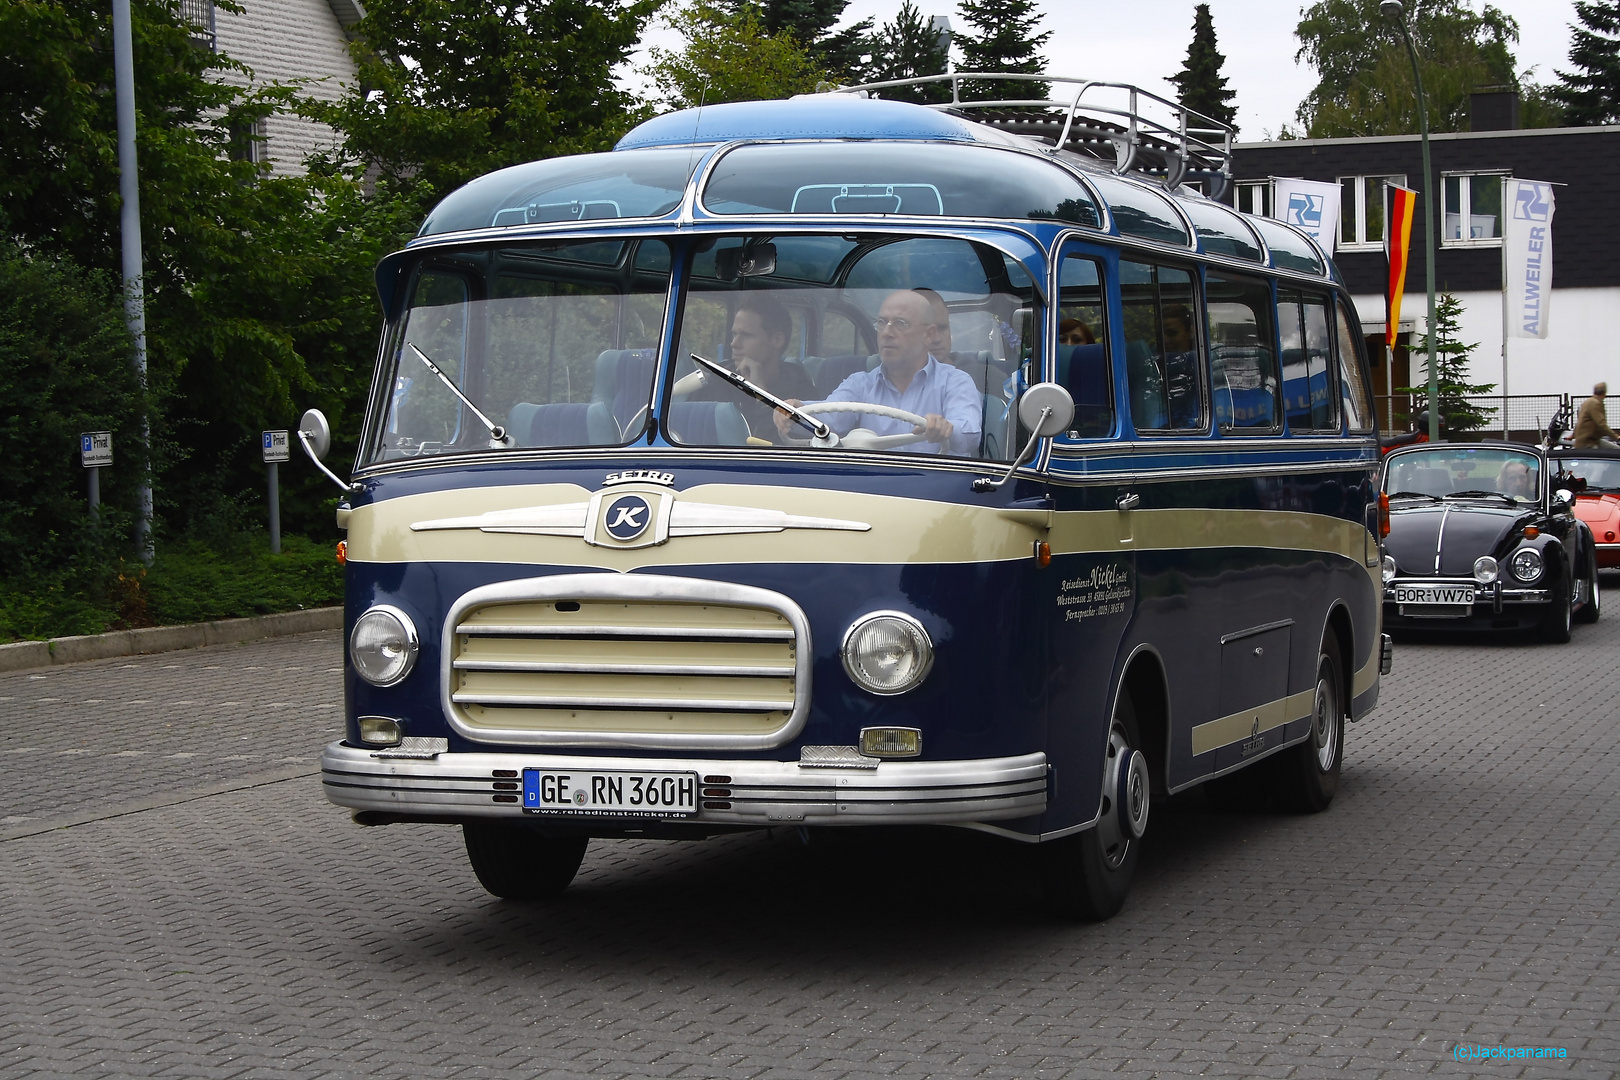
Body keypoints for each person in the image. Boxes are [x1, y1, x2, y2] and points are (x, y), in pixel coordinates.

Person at [777, 289, 981, 455]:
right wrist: (795, 411)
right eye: (882, 322)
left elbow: (969, 433)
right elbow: (830, 418)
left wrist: (945, 428)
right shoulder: (860, 383)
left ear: (928, 335)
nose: (887, 332)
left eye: (900, 324)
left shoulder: (956, 381)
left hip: (937, 493)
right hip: (873, 490)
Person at [687, 295, 816, 442]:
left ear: (777, 340)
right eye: (734, 335)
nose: (734, 344)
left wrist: (761, 396)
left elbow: (783, 449)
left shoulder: (801, 390)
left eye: (746, 335)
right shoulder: (716, 380)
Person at [1573, 382, 1619, 448]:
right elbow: (1601, 424)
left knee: (1613, 448)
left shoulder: (1587, 402)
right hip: (1588, 441)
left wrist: (1573, 435)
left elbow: (1579, 421)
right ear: (1604, 393)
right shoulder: (1596, 404)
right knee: (1615, 450)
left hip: (1587, 439)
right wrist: (1616, 436)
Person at [913, 287, 953, 357]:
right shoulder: (890, 367)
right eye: (928, 331)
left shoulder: (976, 365)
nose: (937, 339)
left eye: (942, 328)